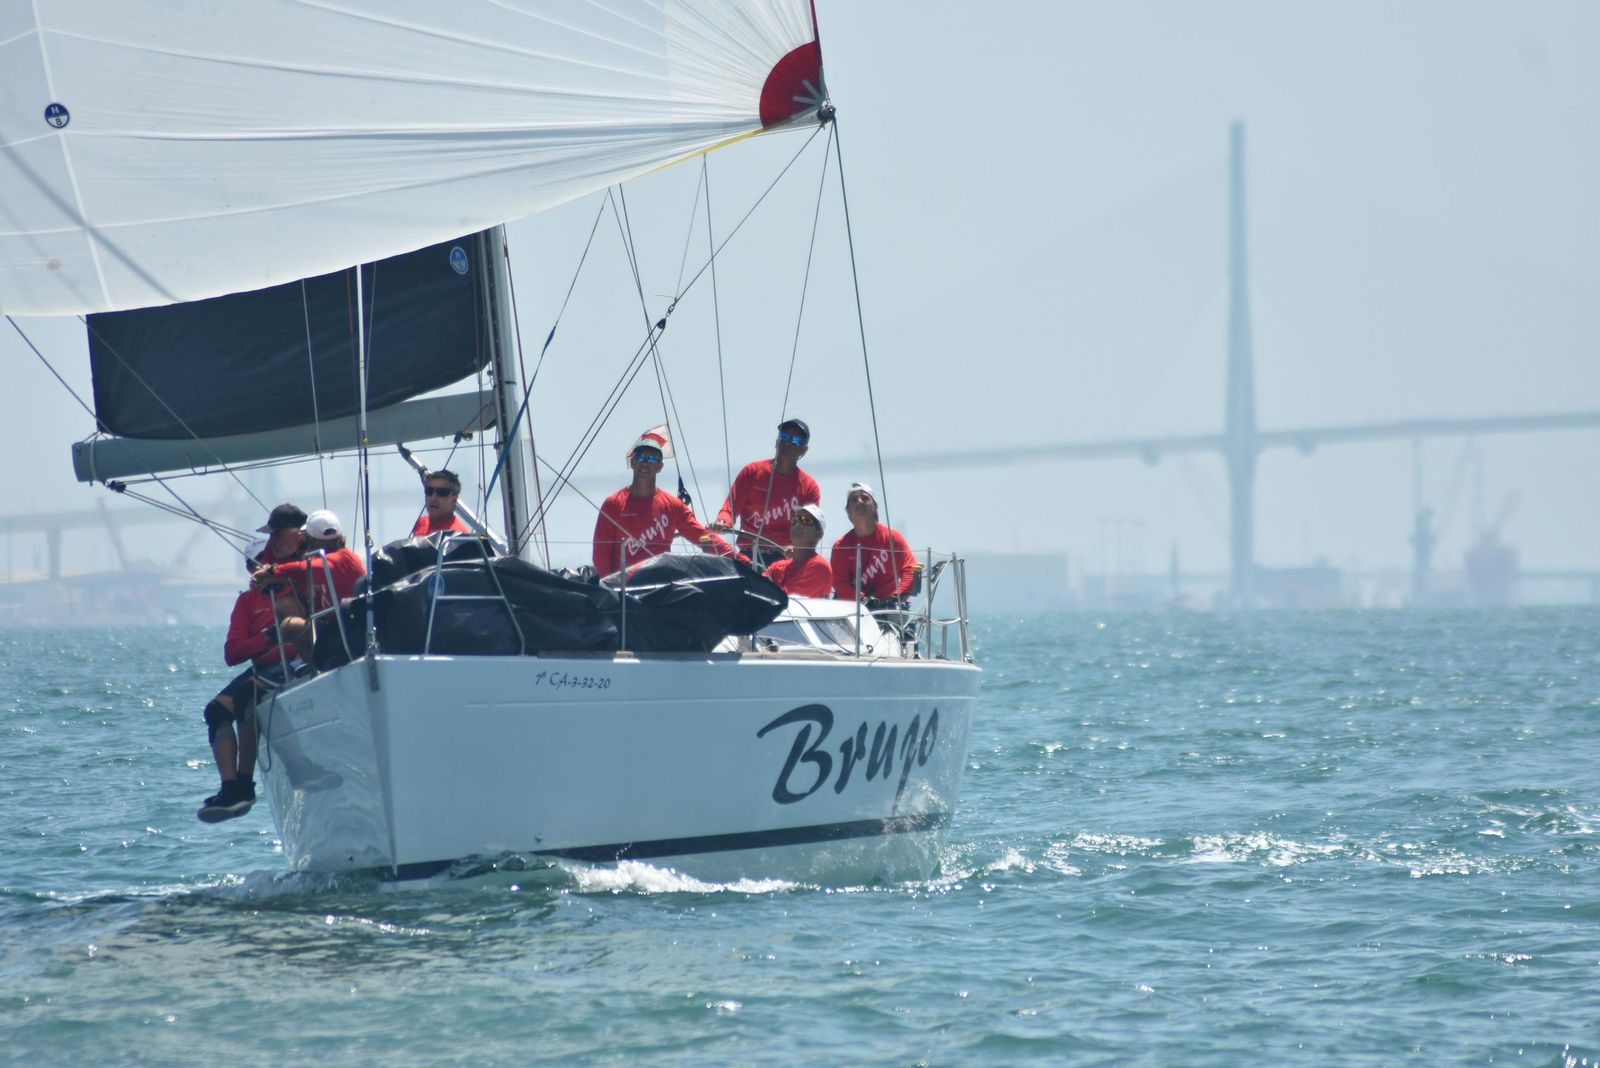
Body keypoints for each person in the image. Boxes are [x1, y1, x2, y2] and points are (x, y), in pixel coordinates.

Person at [196, 538, 306, 822]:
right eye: (253, 563)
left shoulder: (299, 587)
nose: (259, 568)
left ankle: (245, 784)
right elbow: (232, 653)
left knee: (248, 696)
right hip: (265, 667)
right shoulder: (247, 602)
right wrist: (267, 638)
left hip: (296, 662)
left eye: (265, 561)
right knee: (216, 712)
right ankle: (230, 788)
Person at [593, 431, 745, 576]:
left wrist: (741, 560)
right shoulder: (612, 504)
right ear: (632, 462)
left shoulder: (673, 506)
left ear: (659, 467)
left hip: (661, 584)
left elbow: (703, 537)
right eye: (639, 457)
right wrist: (611, 590)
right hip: (625, 588)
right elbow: (601, 555)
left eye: (652, 459)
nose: (645, 463)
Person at [251, 509, 366, 660]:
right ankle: (315, 664)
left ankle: (316, 666)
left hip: (348, 630)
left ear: (311, 539)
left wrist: (273, 571)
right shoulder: (341, 558)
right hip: (339, 626)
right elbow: (305, 572)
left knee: (289, 627)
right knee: (285, 606)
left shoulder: (337, 559)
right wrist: (272, 578)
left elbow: (310, 568)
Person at [713, 418, 821, 567]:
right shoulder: (752, 472)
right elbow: (729, 509)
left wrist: (796, 548)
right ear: (777, 442)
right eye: (784, 437)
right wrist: (722, 522)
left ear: (804, 449)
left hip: (784, 559)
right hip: (748, 554)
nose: (788, 443)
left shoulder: (809, 487)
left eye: (796, 440)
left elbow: (808, 529)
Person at [830, 482, 916, 604]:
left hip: (890, 609)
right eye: (854, 500)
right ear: (847, 511)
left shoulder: (893, 538)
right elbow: (839, 583)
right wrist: (863, 600)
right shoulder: (841, 546)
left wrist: (896, 597)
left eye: (865, 498)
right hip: (854, 610)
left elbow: (910, 569)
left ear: (875, 506)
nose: (859, 501)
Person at [764, 503, 833, 598]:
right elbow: (757, 591)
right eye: (795, 520)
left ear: (819, 534)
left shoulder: (820, 567)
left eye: (806, 520)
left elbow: (784, 597)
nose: (798, 524)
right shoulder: (777, 566)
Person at [410, 468, 471, 537]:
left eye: (442, 493)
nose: (433, 498)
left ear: (454, 500)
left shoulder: (459, 536)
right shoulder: (421, 522)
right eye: (429, 491)